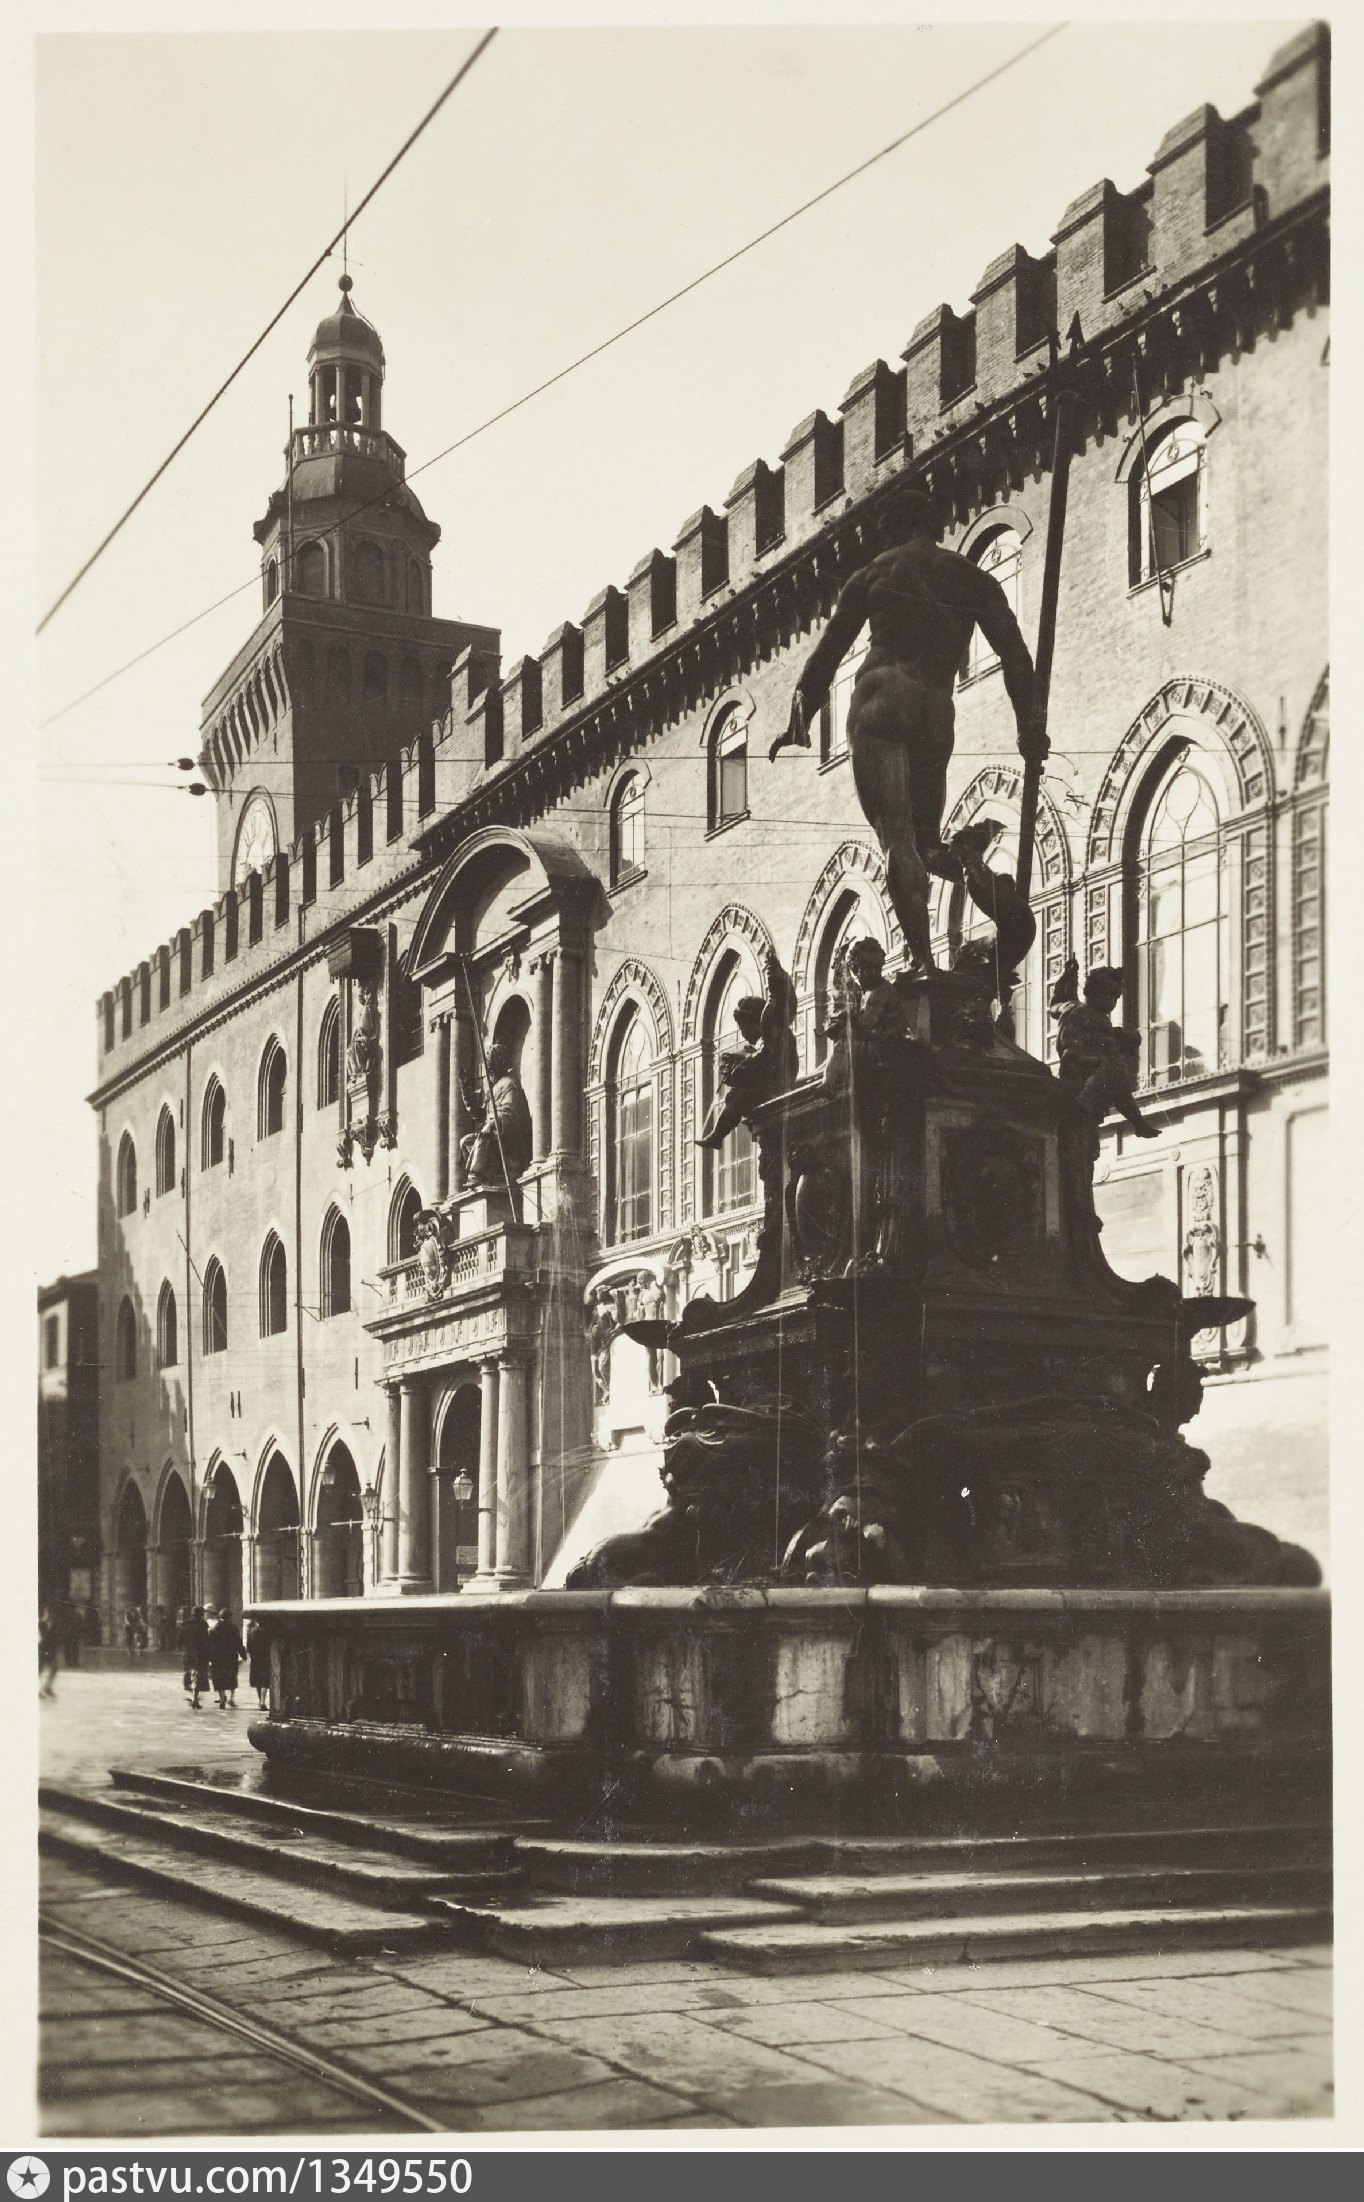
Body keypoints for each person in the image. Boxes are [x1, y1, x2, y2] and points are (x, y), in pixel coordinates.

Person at [771, 481, 1043, 973]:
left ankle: (923, 963)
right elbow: (1016, 655)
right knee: (928, 846)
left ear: (895, 527)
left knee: (898, 838)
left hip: (882, 700)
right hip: (936, 710)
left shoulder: (874, 572)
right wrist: (1030, 725)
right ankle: (971, 864)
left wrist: (800, 717)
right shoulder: (972, 578)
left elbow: (827, 654)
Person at [458, 1043, 534, 1188]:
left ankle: (476, 1175)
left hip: (509, 1138)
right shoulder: (493, 1089)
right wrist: (465, 1089)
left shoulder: (509, 1084)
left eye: (491, 1066)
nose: (489, 1070)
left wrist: (492, 1123)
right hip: (493, 1136)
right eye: (488, 1066)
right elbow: (479, 1114)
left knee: (483, 1136)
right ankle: (486, 1175)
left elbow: (510, 1112)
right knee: (465, 1142)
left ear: (499, 1064)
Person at [206, 1607, 247, 1710]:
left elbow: (209, 1644)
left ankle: (222, 1700)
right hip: (231, 1656)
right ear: (230, 1617)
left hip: (218, 1657)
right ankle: (231, 1698)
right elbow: (238, 1642)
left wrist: (209, 1657)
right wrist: (243, 1655)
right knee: (232, 1677)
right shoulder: (233, 1628)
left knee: (219, 1678)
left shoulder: (215, 1628)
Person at [181, 1603, 210, 1710]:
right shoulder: (202, 1625)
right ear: (201, 1614)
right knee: (198, 1676)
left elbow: (179, 1640)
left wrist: (184, 1648)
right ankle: (195, 1698)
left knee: (188, 1675)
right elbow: (205, 1641)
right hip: (199, 1655)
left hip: (187, 1654)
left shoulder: (185, 1625)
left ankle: (191, 1695)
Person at [245, 1615, 272, 1711]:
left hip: (255, 1659)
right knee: (265, 1681)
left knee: (258, 1681)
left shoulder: (252, 1631)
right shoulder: (268, 1631)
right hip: (266, 1658)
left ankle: (260, 1700)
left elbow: (248, 1646)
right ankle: (263, 1702)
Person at [39, 1608, 59, 1698]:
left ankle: (48, 1687)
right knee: (39, 1670)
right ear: (45, 1613)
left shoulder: (53, 1624)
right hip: (43, 1650)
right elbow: (44, 1636)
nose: (50, 1615)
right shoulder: (41, 1623)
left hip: (50, 1650)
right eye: (48, 1613)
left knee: (54, 1668)